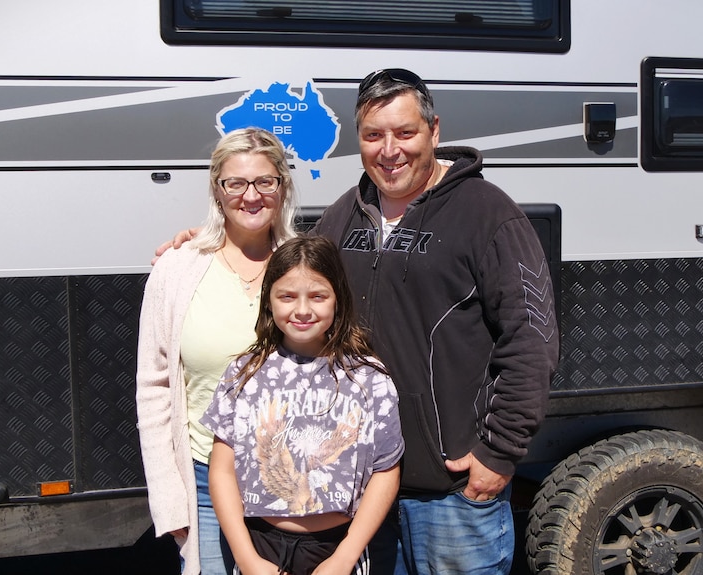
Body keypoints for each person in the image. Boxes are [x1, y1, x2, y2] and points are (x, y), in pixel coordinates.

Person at [157, 68, 560, 574]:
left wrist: (499, 452)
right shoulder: (345, 214)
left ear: (434, 131)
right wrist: (215, 239)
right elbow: (293, 265)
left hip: (451, 489)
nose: (389, 150)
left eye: (405, 132)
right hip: (360, 495)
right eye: (373, 136)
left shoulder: (488, 215)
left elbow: (532, 340)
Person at [136, 127, 300, 575]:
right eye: (236, 183)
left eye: (266, 181)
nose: (251, 195)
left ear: (282, 187)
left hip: (295, 484)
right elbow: (153, 389)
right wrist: (171, 506)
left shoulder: (305, 264)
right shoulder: (177, 269)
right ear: (217, 189)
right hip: (206, 483)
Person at [200, 235, 404, 575]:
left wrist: (344, 558)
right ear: (269, 301)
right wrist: (248, 559)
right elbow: (221, 470)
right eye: (287, 296)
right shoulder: (244, 374)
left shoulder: (369, 378)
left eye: (318, 296)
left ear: (338, 298)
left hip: (337, 547)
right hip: (260, 545)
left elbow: (386, 471)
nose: (303, 310)